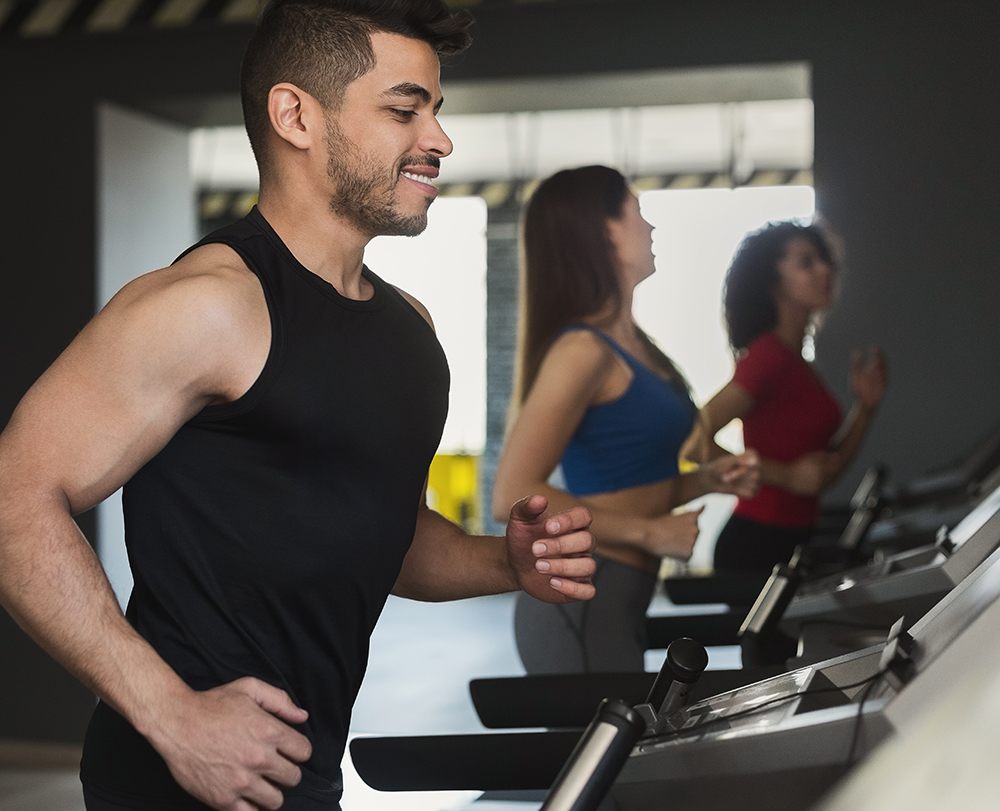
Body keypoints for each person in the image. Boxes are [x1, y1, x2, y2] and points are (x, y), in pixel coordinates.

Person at [0, 3, 597, 810]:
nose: (439, 140)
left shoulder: (409, 331)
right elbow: (14, 498)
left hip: (300, 772)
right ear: (295, 116)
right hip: (178, 772)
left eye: (436, 110)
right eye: (403, 108)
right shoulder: (209, 304)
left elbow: (381, 532)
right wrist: (170, 712)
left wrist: (506, 562)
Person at [492, 165, 759, 674]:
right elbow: (511, 495)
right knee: (611, 753)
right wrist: (648, 533)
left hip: (620, 593)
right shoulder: (582, 350)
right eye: (638, 211)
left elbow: (632, 482)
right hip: (583, 599)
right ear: (606, 230)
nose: (651, 228)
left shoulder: (636, 347)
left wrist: (707, 480)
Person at [683, 220, 888, 575]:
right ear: (774, 282)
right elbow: (692, 440)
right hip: (755, 543)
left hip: (792, 538)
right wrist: (784, 476)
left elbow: (823, 472)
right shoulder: (768, 357)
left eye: (824, 259)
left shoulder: (798, 362)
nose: (825, 269)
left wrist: (865, 410)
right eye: (806, 262)